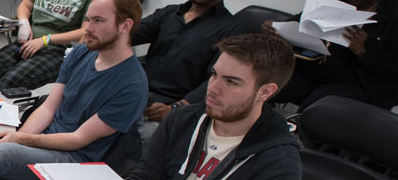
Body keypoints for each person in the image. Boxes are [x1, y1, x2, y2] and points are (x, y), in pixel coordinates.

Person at [0, 0, 147, 180]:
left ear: (125, 26)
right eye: (88, 19)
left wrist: (20, 141)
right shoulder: (82, 53)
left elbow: (78, 139)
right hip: (48, 141)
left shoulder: (131, 85)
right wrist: (19, 138)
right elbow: (48, 107)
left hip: (75, 159)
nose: (88, 28)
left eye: (98, 21)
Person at [129, 34, 302, 180]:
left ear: (265, 92)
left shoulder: (279, 163)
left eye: (231, 82)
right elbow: (145, 177)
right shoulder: (180, 120)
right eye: (214, 75)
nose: (212, 89)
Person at [273, 0, 398, 110]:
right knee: (268, 87)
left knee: (315, 109)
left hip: (365, 84)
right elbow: (297, 23)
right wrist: (276, 27)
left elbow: (396, 67)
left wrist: (364, 50)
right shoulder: (335, 2)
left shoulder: (396, 16)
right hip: (317, 70)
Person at [138, 0, 248, 122]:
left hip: (174, 106)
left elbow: (217, 80)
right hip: (137, 92)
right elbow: (128, 34)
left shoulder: (232, 30)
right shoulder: (169, 13)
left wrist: (176, 108)